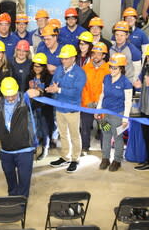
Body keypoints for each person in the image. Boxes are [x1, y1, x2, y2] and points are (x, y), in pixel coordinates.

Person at [0, 77, 40, 197]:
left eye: (13, 95)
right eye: (8, 96)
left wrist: (39, 91)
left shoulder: (25, 101)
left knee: (24, 178)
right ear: (2, 93)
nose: (11, 98)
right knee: (9, 176)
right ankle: (12, 197)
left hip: (25, 149)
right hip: (6, 149)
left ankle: (22, 201)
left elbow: (43, 99)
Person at [47, 44, 86, 173]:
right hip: (59, 107)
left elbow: (76, 92)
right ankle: (65, 156)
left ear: (73, 58)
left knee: (75, 135)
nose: (63, 61)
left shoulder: (80, 73)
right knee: (63, 134)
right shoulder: (59, 69)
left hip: (72, 110)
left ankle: (75, 159)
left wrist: (58, 89)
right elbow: (54, 82)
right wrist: (52, 88)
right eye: (62, 58)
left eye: (66, 58)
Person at [95, 53, 132, 172]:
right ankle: (105, 158)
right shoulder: (106, 78)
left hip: (118, 115)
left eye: (115, 68)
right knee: (105, 136)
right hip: (105, 114)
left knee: (118, 137)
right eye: (110, 67)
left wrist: (125, 119)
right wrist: (98, 110)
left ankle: (117, 160)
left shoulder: (126, 82)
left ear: (121, 68)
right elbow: (102, 95)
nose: (112, 70)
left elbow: (128, 102)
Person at [81, 42, 110, 155]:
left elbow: (108, 89)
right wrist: (88, 102)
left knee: (105, 129)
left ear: (104, 55)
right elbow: (83, 86)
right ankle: (85, 147)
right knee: (85, 128)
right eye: (94, 53)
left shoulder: (109, 69)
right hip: (87, 105)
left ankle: (105, 150)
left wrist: (99, 103)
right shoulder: (85, 68)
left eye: (99, 54)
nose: (95, 56)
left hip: (102, 106)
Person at [26, 53, 54, 159]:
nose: (36, 68)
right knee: (33, 128)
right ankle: (33, 147)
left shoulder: (49, 78)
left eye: (39, 66)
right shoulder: (29, 76)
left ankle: (45, 148)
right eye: (35, 65)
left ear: (44, 67)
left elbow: (50, 93)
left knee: (44, 129)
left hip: (44, 108)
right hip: (32, 108)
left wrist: (40, 93)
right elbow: (25, 89)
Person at [133, 47, 149, 171]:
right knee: (146, 137)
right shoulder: (145, 69)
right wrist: (139, 86)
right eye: (148, 56)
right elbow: (140, 87)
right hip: (144, 109)